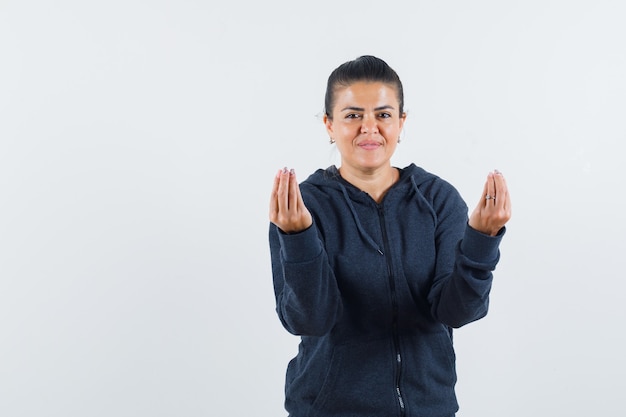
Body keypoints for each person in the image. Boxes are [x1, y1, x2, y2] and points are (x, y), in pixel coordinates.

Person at [268, 55, 511, 417]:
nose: (369, 128)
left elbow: (457, 311)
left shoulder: (438, 199)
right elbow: (308, 321)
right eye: (352, 115)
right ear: (329, 125)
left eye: (383, 115)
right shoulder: (302, 206)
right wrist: (297, 237)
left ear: (401, 122)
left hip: (429, 407)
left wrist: (482, 239)